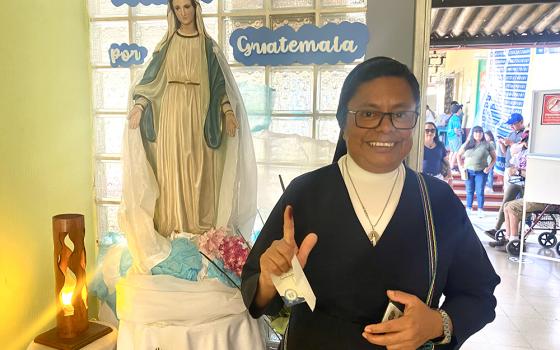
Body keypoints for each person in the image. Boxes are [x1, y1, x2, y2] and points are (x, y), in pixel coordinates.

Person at [241, 57, 499, 349]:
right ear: (342, 121)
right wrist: (268, 280)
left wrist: (438, 323)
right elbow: (258, 295)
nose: (385, 127)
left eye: (401, 114)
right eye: (367, 113)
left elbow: (478, 294)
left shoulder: (439, 203)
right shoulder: (306, 193)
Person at [126, 0, 256, 237]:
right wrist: (140, 105)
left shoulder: (208, 47)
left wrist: (227, 112)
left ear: (196, 8)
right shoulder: (166, 45)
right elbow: (153, 81)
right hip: (171, 115)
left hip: (199, 114)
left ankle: (199, 232)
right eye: (177, 8)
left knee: (199, 171)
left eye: (187, 7)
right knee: (171, 172)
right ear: (172, 11)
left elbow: (219, 85)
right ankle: (172, 228)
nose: (183, 13)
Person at [488, 130, 529, 248]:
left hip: (527, 183)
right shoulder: (521, 150)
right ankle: (499, 230)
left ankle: (518, 236)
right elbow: (512, 159)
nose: (524, 144)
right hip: (517, 180)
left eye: (526, 141)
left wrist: (518, 171)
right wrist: (513, 169)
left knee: (521, 208)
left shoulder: (533, 154)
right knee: (506, 202)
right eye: (523, 141)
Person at [457, 126, 496, 217]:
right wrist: (460, 166)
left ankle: (480, 209)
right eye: (476, 132)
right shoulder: (467, 144)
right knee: (469, 190)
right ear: (472, 134)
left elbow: (494, 158)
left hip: (481, 172)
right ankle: (469, 208)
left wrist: (489, 167)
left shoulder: (487, 144)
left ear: (482, 134)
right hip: (468, 171)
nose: (478, 134)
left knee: (480, 191)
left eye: (480, 132)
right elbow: (458, 155)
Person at [446, 103, 463, 171]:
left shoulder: (452, 118)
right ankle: (451, 167)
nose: (461, 111)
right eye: (460, 109)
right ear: (458, 111)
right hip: (456, 137)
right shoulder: (456, 119)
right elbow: (456, 129)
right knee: (456, 152)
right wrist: (459, 133)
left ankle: (449, 165)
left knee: (452, 152)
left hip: (450, 137)